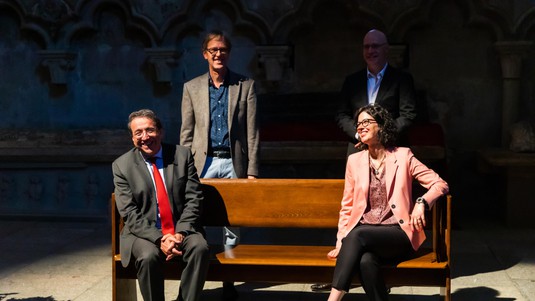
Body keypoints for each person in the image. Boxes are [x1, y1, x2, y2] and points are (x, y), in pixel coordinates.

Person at [326, 104, 448, 301]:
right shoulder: (354, 161)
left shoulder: (403, 155)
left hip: (398, 234)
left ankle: (332, 300)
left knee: (357, 234)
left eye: (366, 122)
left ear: (381, 127)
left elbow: (439, 184)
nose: (360, 127)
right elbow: (347, 206)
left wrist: (422, 202)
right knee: (366, 262)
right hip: (365, 236)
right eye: (358, 124)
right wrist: (341, 242)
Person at [180, 30, 259, 300]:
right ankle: (196, 277)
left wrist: (251, 171)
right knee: (195, 218)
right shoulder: (191, 87)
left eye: (223, 49)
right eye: (213, 50)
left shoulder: (245, 85)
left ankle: (229, 280)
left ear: (228, 53)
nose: (218, 54)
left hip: (233, 162)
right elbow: (186, 133)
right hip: (203, 163)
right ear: (205, 54)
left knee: (232, 226)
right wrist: (183, 169)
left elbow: (252, 132)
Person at [112, 109, 209, 301]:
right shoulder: (122, 165)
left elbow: (194, 199)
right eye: (138, 133)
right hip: (143, 233)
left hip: (182, 227)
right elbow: (129, 213)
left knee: (200, 248)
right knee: (148, 257)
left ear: (161, 131)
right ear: (132, 138)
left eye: (150, 130)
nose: (145, 137)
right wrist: (160, 239)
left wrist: (180, 232)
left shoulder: (182, 156)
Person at [335, 29, 417, 155]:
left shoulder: (402, 79)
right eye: (366, 47)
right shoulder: (352, 81)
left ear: (386, 49)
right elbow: (342, 115)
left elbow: (408, 115)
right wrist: (360, 135)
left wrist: (381, 136)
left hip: (392, 147)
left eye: (375, 46)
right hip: (358, 147)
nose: (370, 51)